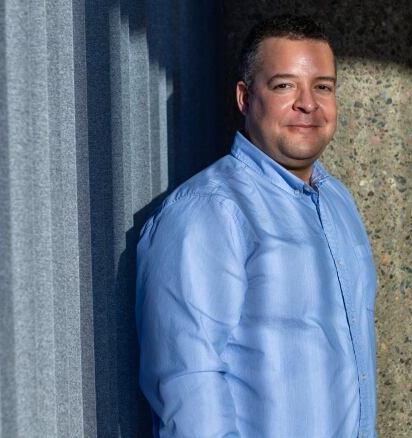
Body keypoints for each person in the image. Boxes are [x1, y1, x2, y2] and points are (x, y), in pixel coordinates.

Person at [135, 15, 377, 438]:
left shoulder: (338, 201)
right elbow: (188, 384)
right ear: (245, 99)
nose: (308, 103)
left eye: (323, 86)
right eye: (285, 85)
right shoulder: (209, 212)